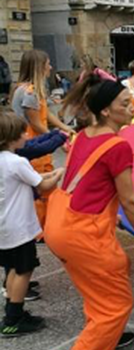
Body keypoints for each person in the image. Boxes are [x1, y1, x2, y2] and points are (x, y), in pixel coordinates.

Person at [45, 77, 134, 350]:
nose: (133, 107)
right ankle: (100, 338)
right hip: (83, 235)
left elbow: (85, 184)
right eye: (125, 103)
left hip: (60, 225)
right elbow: (130, 200)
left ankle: (105, 337)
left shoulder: (84, 134)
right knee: (115, 307)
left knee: (99, 294)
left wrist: (112, 216)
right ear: (107, 111)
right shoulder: (117, 146)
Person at [0, 111, 64, 337]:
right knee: (23, 270)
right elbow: (42, 186)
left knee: (12, 270)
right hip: (19, 229)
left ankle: (12, 309)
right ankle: (13, 319)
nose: (27, 136)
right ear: (11, 138)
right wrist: (57, 174)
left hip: (4, 230)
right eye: (22, 133)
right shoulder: (17, 162)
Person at [11, 50, 74, 228]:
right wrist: (57, 140)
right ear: (39, 67)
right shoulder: (30, 92)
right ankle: (41, 228)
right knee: (41, 186)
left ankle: (45, 225)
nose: (51, 67)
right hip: (34, 145)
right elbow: (37, 123)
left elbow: (45, 115)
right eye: (48, 63)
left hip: (34, 143)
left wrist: (63, 128)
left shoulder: (27, 89)